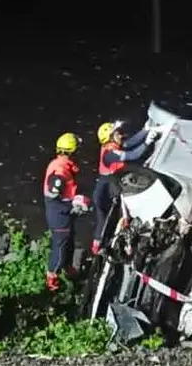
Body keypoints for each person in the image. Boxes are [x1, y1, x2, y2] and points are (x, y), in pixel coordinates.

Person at [91, 119, 161, 253]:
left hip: (109, 184)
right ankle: (98, 250)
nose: (120, 135)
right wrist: (147, 142)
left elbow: (130, 143)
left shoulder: (113, 146)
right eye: (117, 133)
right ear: (110, 138)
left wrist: (145, 130)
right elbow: (133, 154)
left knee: (110, 218)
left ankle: (105, 245)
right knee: (105, 221)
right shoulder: (110, 153)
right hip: (105, 190)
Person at [43, 132, 91, 292]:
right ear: (72, 152)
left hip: (64, 213)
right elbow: (53, 199)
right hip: (59, 217)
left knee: (69, 243)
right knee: (60, 248)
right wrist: (73, 206)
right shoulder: (60, 171)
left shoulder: (61, 165)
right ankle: (52, 280)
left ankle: (69, 270)